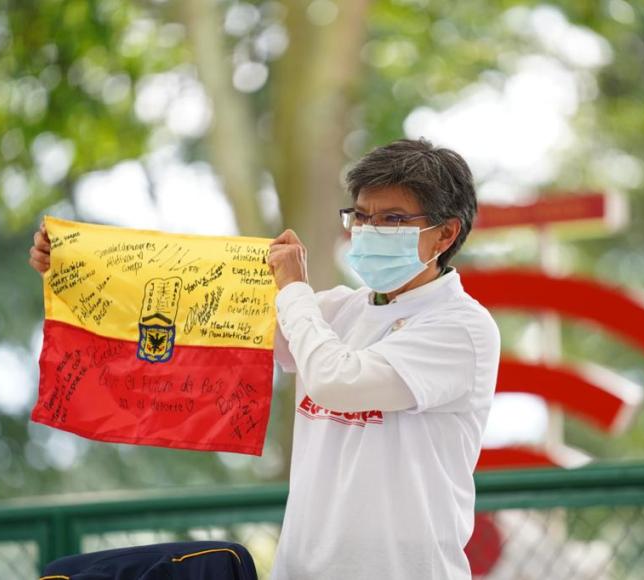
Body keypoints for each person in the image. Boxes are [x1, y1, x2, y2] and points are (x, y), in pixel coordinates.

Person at [29, 138, 500, 580]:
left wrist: (295, 288)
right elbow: (202, 316)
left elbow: (337, 382)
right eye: (359, 216)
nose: (368, 231)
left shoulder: (461, 327)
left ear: (445, 234)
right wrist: (80, 267)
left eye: (393, 219)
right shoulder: (338, 309)